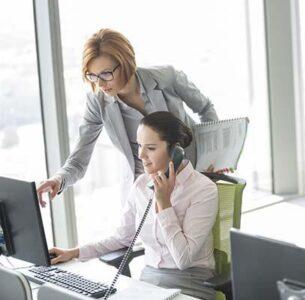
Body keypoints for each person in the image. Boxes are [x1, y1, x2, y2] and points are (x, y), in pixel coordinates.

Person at [37, 28, 218, 206]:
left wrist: (213, 159)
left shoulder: (167, 78)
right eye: (92, 76)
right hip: (145, 192)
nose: (100, 84)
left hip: (193, 179)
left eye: (106, 74)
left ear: (126, 63)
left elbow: (205, 108)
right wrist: (59, 180)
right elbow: (79, 159)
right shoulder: (97, 102)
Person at [49, 112, 219, 300]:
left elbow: (183, 259)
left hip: (190, 284)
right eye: (139, 146)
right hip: (148, 285)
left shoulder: (203, 190)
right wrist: (74, 252)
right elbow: (122, 238)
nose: (141, 155)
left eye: (151, 148)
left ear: (175, 151)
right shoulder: (141, 185)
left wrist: (164, 204)